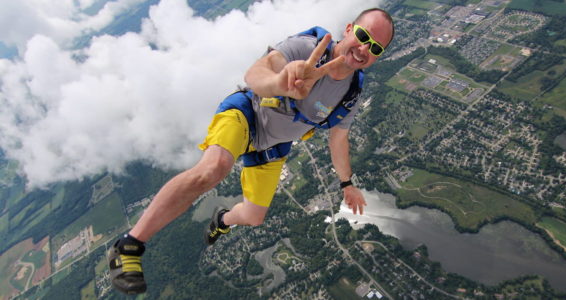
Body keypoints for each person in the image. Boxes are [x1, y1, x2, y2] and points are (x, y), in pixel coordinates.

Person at [107, 8, 394, 295]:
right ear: (348, 29)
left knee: (254, 217)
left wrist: (347, 183)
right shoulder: (307, 48)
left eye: (376, 47)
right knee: (213, 169)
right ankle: (129, 244)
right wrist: (279, 83)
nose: (365, 48)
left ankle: (222, 220)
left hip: (273, 145)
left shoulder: (352, 92)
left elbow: (338, 140)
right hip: (247, 114)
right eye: (362, 35)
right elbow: (256, 72)